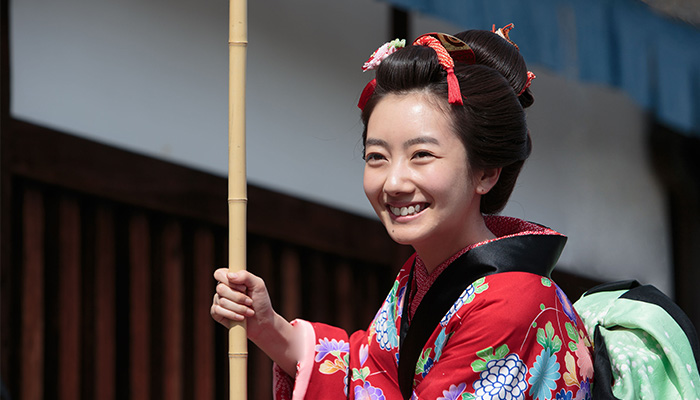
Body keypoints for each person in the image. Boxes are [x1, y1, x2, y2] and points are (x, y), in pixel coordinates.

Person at [211, 25, 594, 400]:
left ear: (486, 172)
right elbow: (368, 373)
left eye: (421, 155)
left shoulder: (515, 304)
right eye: (377, 157)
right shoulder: (418, 277)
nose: (393, 182)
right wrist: (267, 327)